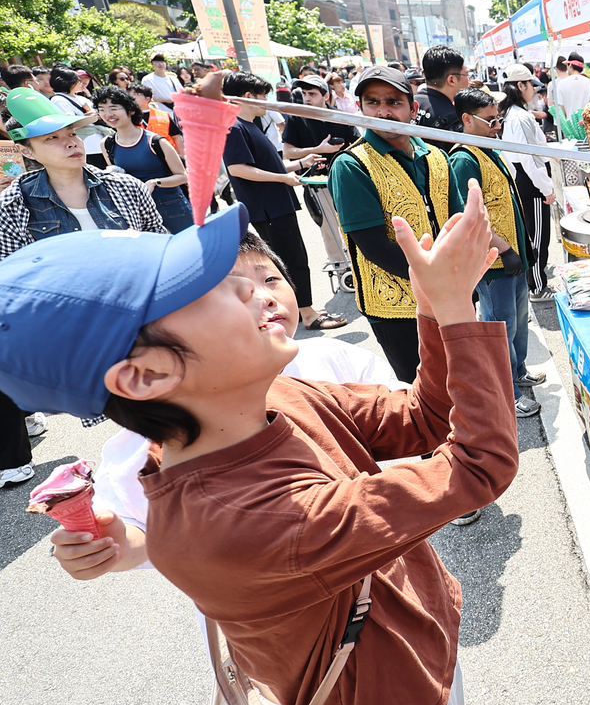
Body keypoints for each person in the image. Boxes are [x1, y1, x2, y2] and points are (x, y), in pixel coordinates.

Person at [0, 182, 516, 705]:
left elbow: (426, 419)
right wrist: (454, 310)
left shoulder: (272, 397)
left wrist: (431, 305)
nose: (251, 286)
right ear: (145, 376)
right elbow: (478, 464)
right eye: (205, 291)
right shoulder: (253, 520)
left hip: (409, 654)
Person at [50, 231, 408, 580]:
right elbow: (137, 522)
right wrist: (113, 547)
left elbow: (412, 410)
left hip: (379, 563)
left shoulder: (331, 358)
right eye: (232, 291)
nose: (265, 297)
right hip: (275, 609)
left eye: (270, 278)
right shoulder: (171, 419)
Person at [0, 87, 167, 487]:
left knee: (168, 404)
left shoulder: (122, 186)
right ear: (28, 151)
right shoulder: (14, 206)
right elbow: (13, 282)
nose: (69, 143)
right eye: (51, 139)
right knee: (131, 415)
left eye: (71, 133)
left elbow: (160, 245)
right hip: (82, 333)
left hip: (144, 314)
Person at [328, 66, 464, 381]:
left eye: (393, 102)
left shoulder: (436, 156)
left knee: (462, 378)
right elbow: (374, 246)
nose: (383, 111)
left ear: (412, 108)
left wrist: (457, 280)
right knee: (424, 391)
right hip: (398, 309)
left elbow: (457, 221)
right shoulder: (352, 165)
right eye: (372, 102)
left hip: (451, 292)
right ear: (359, 108)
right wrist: (436, 281)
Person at [220, 71, 346, 332]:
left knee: (289, 257)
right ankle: (309, 315)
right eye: (263, 97)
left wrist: (301, 163)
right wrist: (283, 179)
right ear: (247, 96)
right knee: (291, 259)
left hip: (274, 204)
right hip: (268, 207)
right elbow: (238, 169)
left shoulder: (249, 125)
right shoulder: (234, 126)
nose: (267, 102)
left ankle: (302, 309)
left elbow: (269, 164)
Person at [453, 87, 546, 419]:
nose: (496, 125)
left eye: (498, 118)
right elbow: (470, 215)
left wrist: (524, 245)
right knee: (498, 327)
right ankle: (507, 389)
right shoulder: (464, 159)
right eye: (489, 119)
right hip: (493, 262)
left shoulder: (489, 149)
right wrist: (504, 248)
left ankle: (518, 370)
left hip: (513, 255)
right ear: (467, 119)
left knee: (519, 321)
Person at [92, 86, 192, 232]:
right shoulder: (107, 144)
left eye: (113, 108)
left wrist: (155, 183)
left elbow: (183, 177)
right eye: (102, 109)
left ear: (131, 110)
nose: (108, 114)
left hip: (172, 206)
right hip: (137, 211)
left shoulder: (156, 141)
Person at [500, 63, 556, 302]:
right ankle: (537, 286)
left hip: (525, 177)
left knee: (535, 233)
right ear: (520, 85)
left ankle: (535, 281)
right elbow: (530, 158)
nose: (534, 89)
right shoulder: (520, 116)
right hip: (531, 180)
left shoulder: (515, 114)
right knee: (538, 236)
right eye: (531, 85)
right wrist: (546, 188)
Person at [281, 75, 355, 162]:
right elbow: (287, 152)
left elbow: (358, 143)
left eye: (312, 94)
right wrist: (317, 150)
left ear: (326, 96)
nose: (307, 98)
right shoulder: (296, 118)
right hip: (309, 174)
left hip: (340, 172)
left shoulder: (341, 116)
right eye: (304, 93)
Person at [48, 66, 107, 168]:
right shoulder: (59, 99)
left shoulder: (80, 98)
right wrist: (89, 119)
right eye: (78, 80)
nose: (81, 82)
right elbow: (68, 125)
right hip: (86, 148)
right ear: (68, 83)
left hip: (100, 146)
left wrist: (97, 116)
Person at [414, 45, 469, 151]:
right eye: (467, 75)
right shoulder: (452, 118)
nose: (469, 81)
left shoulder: (408, 104)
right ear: (452, 80)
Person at [129, 83, 184, 157]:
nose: (133, 97)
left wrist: (182, 156)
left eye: (136, 94)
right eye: (130, 94)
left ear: (147, 99)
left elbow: (176, 136)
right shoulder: (128, 116)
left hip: (167, 155)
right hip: (141, 156)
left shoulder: (163, 115)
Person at [552, 52, 590, 123]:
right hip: (587, 125)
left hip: (570, 127)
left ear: (570, 65)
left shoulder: (561, 84)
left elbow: (560, 107)